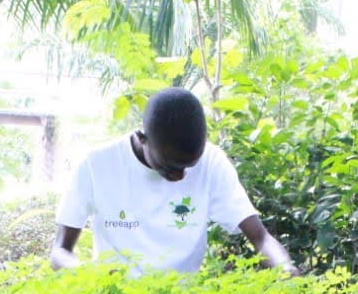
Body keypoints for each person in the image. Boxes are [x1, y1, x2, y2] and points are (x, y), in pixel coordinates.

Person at [51, 87, 300, 277]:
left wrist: (286, 269)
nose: (180, 176)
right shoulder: (98, 165)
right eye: (170, 166)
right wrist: (91, 275)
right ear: (142, 138)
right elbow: (59, 252)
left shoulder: (212, 162)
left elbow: (260, 237)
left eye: (188, 166)